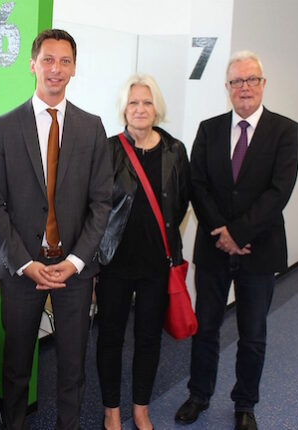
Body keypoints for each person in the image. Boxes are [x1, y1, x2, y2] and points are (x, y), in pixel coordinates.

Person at [0, 28, 113, 430]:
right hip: (21, 270)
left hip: (74, 269)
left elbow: (101, 204)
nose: (56, 69)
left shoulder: (92, 129)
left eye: (65, 61)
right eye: (48, 60)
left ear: (74, 68)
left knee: (72, 368)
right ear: (33, 65)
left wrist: (75, 261)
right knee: (17, 367)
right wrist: (24, 263)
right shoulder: (4, 127)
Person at [174, 51, 298, 430]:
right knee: (206, 327)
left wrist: (240, 233)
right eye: (236, 81)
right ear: (227, 88)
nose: (244, 88)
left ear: (263, 84)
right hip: (214, 249)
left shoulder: (285, 130)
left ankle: (245, 403)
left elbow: (280, 191)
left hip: (259, 250)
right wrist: (223, 233)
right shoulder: (209, 128)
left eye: (251, 80)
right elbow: (197, 184)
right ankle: (198, 394)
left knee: (253, 334)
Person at [96, 74, 190, 430]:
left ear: (157, 109)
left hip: (156, 267)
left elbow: (180, 205)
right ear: (124, 108)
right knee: (110, 338)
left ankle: (140, 408)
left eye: (147, 102)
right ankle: (111, 411)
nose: (140, 109)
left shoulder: (175, 150)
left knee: (149, 339)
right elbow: (97, 207)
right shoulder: (107, 149)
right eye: (133, 102)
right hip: (114, 265)